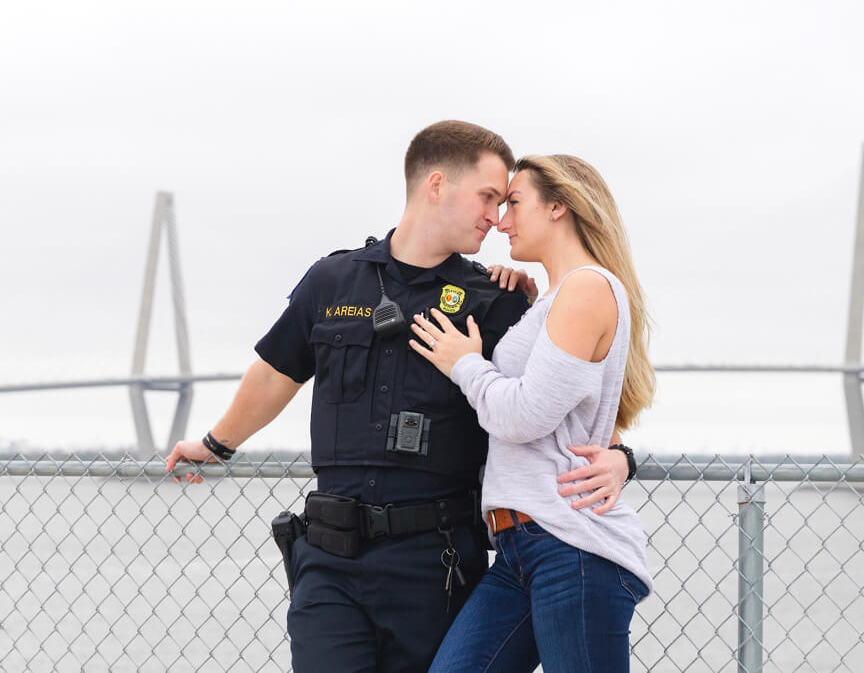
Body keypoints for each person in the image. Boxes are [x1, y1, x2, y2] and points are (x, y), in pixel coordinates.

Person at [163, 122, 634, 673]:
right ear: (437, 185)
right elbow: (274, 375)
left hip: (434, 562)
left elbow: (562, 396)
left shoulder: (497, 300)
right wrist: (217, 444)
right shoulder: (333, 281)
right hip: (330, 559)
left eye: (506, 202)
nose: (496, 217)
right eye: (488, 197)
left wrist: (620, 456)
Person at [409, 154, 655, 672]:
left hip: (573, 549)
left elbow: (523, 417)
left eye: (514, 204)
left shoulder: (589, 288)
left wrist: (465, 365)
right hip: (521, 549)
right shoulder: (555, 298)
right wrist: (519, 298)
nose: (501, 222)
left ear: (559, 207)